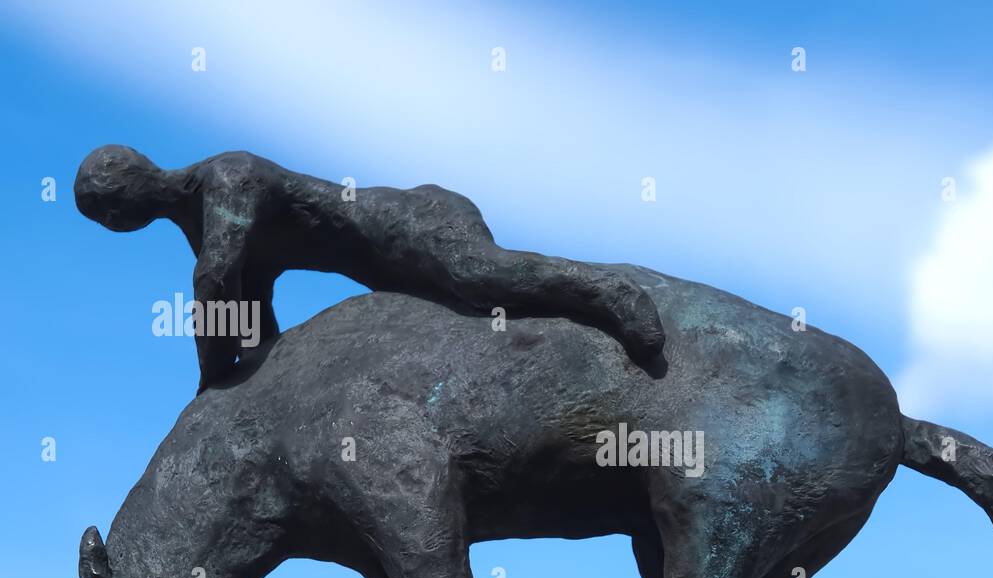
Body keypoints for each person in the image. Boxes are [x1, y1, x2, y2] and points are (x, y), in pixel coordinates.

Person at [75, 145, 665, 391]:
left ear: (126, 187)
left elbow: (216, 281)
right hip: (380, 272)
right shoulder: (196, 224)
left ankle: (611, 294)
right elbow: (247, 312)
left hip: (405, 223)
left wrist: (208, 379)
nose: (108, 221)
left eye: (103, 208)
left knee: (481, 277)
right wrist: (241, 375)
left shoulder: (226, 178)